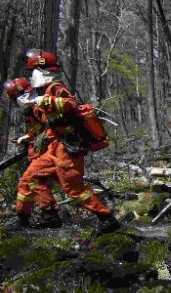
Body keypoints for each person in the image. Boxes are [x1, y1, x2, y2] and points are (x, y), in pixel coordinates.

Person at [16, 50, 121, 234]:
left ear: (42, 71)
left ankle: (106, 217)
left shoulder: (55, 88)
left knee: (74, 188)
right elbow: (46, 122)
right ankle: (49, 215)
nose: (31, 76)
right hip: (54, 146)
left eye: (33, 71)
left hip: (68, 146)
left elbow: (70, 104)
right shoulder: (46, 90)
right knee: (32, 176)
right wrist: (30, 129)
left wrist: (45, 100)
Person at [4, 77, 60, 228]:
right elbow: (37, 130)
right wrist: (25, 138)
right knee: (28, 184)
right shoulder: (30, 110)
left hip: (51, 151)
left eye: (15, 98)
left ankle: (49, 214)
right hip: (41, 152)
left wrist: (41, 142)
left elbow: (51, 129)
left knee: (31, 180)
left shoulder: (38, 107)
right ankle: (24, 219)